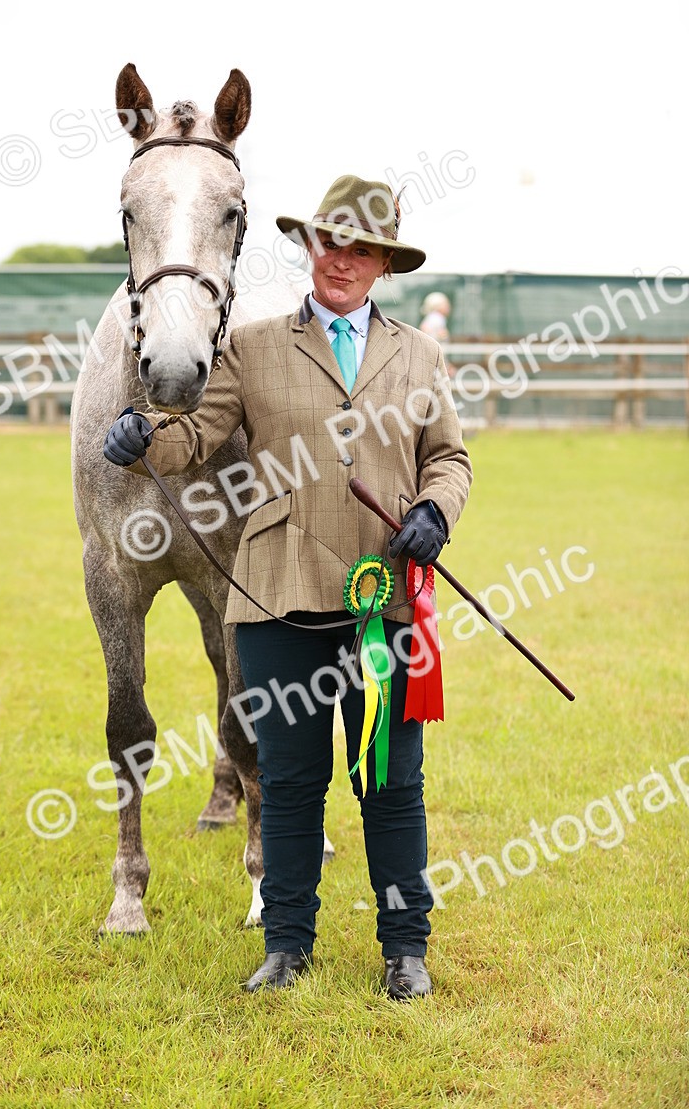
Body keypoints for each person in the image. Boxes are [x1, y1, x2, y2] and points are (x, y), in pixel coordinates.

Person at [103, 174, 472, 1000]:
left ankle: (404, 949)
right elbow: (195, 435)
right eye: (328, 241)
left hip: (384, 601)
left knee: (391, 782)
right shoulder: (256, 346)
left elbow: (448, 457)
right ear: (311, 248)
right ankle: (287, 947)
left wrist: (434, 513)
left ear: (382, 263)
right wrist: (144, 434)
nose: (340, 259)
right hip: (277, 598)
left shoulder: (419, 354)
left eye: (360, 248)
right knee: (292, 779)